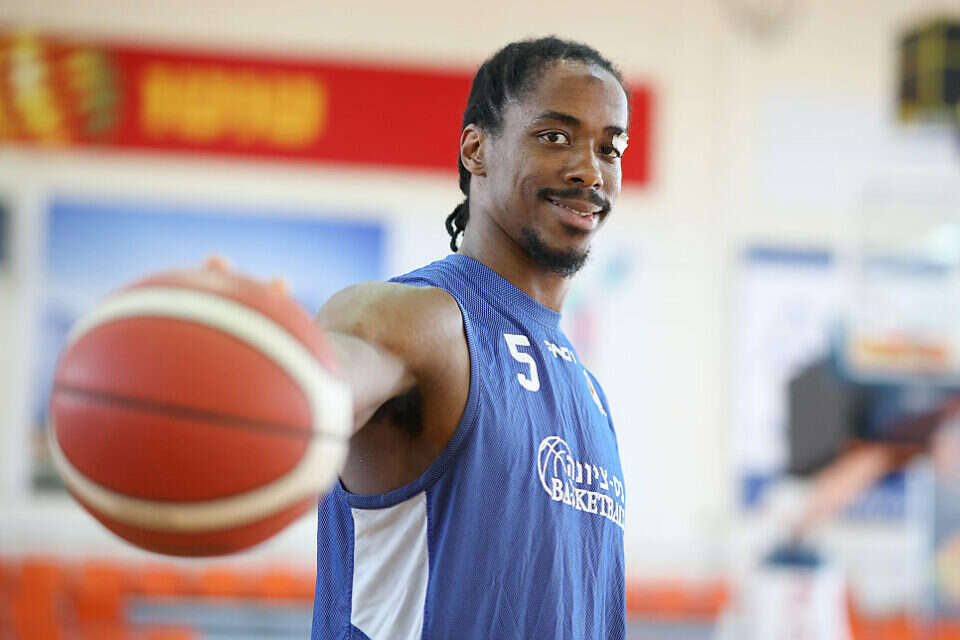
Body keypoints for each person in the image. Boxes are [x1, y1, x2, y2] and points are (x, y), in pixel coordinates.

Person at [309, 37, 631, 639]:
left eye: (609, 147)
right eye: (555, 136)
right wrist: (259, 367)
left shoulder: (590, 395)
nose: (590, 170)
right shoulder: (419, 321)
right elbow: (305, 395)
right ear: (476, 149)